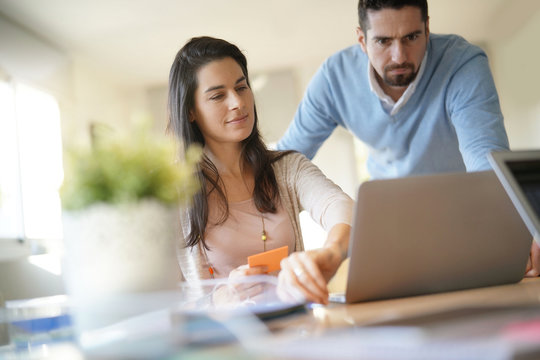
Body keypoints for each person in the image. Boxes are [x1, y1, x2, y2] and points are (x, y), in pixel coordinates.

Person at [167, 36, 354, 305]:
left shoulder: (287, 168)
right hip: (224, 341)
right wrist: (225, 297)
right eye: (218, 95)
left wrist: (331, 254)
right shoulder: (173, 193)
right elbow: (166, 304)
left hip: (296, 331)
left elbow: (342, 207)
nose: (237, 102)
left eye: (241, 87)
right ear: (190, 111)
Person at [277, 0, 509, 179]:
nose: (399, 57)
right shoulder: (334, 79)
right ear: (362, 40)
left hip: (459, 201)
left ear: (427, 29)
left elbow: (486, 158)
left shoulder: (462, 63)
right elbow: (284, 162)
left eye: (411, 37)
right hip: (387, 205)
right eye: (383, 41)